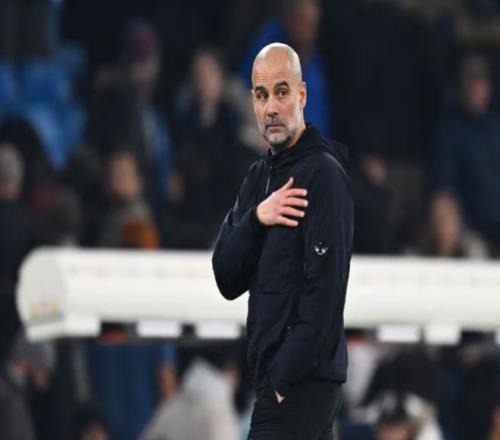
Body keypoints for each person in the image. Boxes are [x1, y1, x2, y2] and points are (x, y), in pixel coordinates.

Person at [212, 43, 353, 439]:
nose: (271, 107)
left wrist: (282, 379)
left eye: (281, 92)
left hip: (299, 385)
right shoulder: (257, 178)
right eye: (261, 95)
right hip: (277, 380)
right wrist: (258, 218)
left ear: (302, 95)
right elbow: (225, 276)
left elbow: (325, 295)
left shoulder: (324, 175)